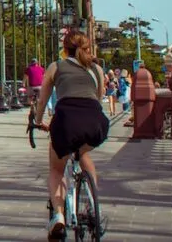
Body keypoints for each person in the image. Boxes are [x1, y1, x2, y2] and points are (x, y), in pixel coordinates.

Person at [34, 30, 110, 239]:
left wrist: (38, 121)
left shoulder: (56, 67)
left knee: (56, 170)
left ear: (64, 49)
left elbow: (43, 101)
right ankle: (94, 205)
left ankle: (59, 216)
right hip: (95, 123)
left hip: (66, 121)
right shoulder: (96, 69)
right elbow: (99, 98)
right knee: (83, 153)